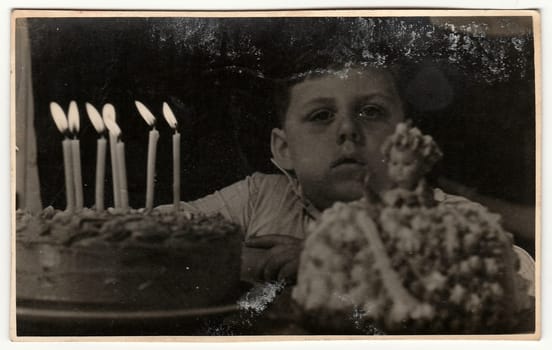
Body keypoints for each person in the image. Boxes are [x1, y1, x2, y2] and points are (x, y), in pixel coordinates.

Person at [162, 63, 534, 289]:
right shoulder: (258, 197)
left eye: (371, 112)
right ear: (283, 149)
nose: (347, 131)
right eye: (321, 115)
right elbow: (143, 234)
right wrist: (231, 260)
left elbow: (518, 274)